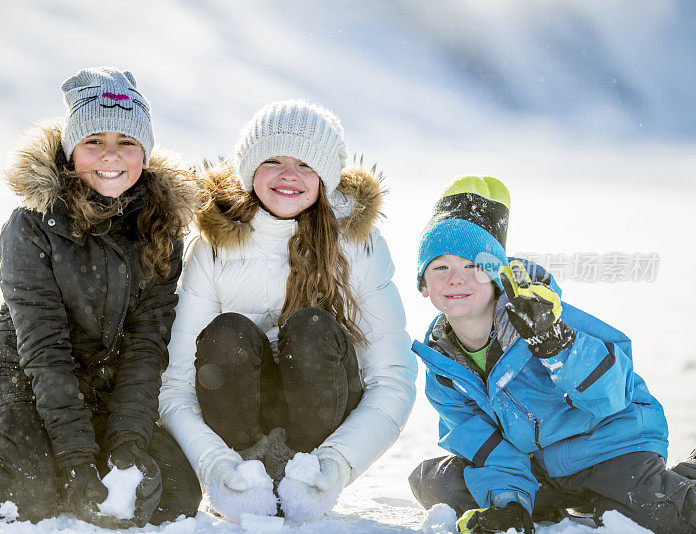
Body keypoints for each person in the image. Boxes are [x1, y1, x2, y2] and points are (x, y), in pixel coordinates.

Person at [0, 67, 200, 528]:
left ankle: (65, 463)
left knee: (172, 493)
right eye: (93, 141)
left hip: (103, 384)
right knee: (24, 491)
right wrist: (77, 457)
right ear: (70, 150)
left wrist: (128, 443)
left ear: (146, 153)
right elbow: (44, 348)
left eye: (127, 142)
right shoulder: (32, 225)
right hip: (19, 374)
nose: (110, 156)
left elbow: (146, 346)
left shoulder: (159, 228)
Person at [157, 99, 417, 522]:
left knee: (310, 327)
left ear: (326, 178)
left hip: (321, 422)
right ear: (248, 169)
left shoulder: (358, 244)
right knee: (227, 334)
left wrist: (333, 466)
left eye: (306, 165)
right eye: (272, 160)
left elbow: (393, 379)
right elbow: (177, 383)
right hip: (235, 428)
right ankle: (249, 472)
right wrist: (217, 467)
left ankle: (300, 471)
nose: (288, 176)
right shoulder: (213, 247)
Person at [408, 175, 696, 533]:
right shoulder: (444, 367)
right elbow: (486, 445)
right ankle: (562, 501)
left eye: (473, 266)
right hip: (541, 467)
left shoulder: (541, 316)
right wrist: (509, 504)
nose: (456, 279)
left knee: (670, 517)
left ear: (497, 276)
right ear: (423, 284)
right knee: (437, 483)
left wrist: (556, 342)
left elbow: (613, 392)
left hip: (608, 447)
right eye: (440, 267)